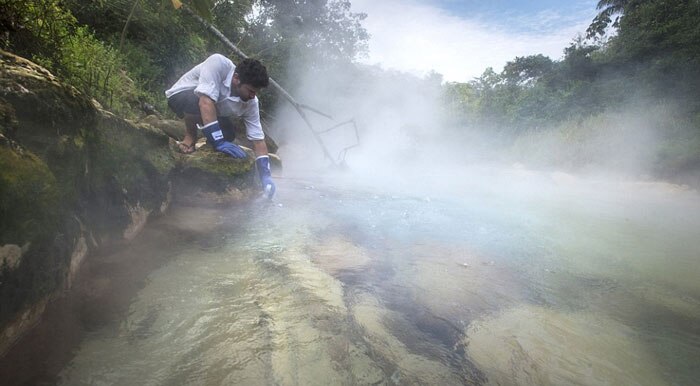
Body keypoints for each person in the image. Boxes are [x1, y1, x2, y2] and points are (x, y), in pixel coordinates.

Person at [165, 54, 275, 198]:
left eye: (256, 92)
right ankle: (190, 136)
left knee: (228, 135)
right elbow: (204, 102)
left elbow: (258, 140)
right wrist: (218, 140)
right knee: (198, 102)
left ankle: (205, 145)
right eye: (250, 90)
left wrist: (266, 176)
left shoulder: (251, 103)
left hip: (211, 109)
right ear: (236, 78)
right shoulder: (218, 64)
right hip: (181, 95)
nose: (253, 96)